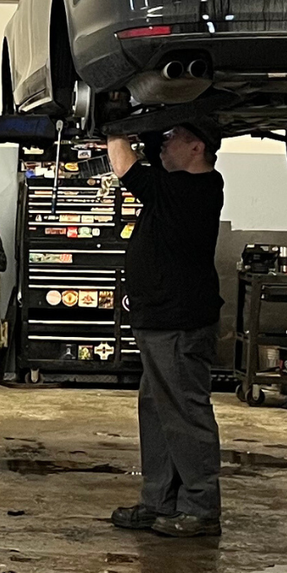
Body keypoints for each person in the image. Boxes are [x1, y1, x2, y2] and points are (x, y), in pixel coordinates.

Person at [108, 121, 225, 538]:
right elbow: (152, 155)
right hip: (161, 321)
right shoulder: (182, 184)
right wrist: (154, 129)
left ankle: (199, 506)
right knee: (157, 412)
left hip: (177, 326)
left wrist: (114, 122)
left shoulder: (192, 191)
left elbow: (125, 165)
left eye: (173, 138)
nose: (164, 144)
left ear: (197, 147)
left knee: (184, 414)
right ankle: (159, 500)